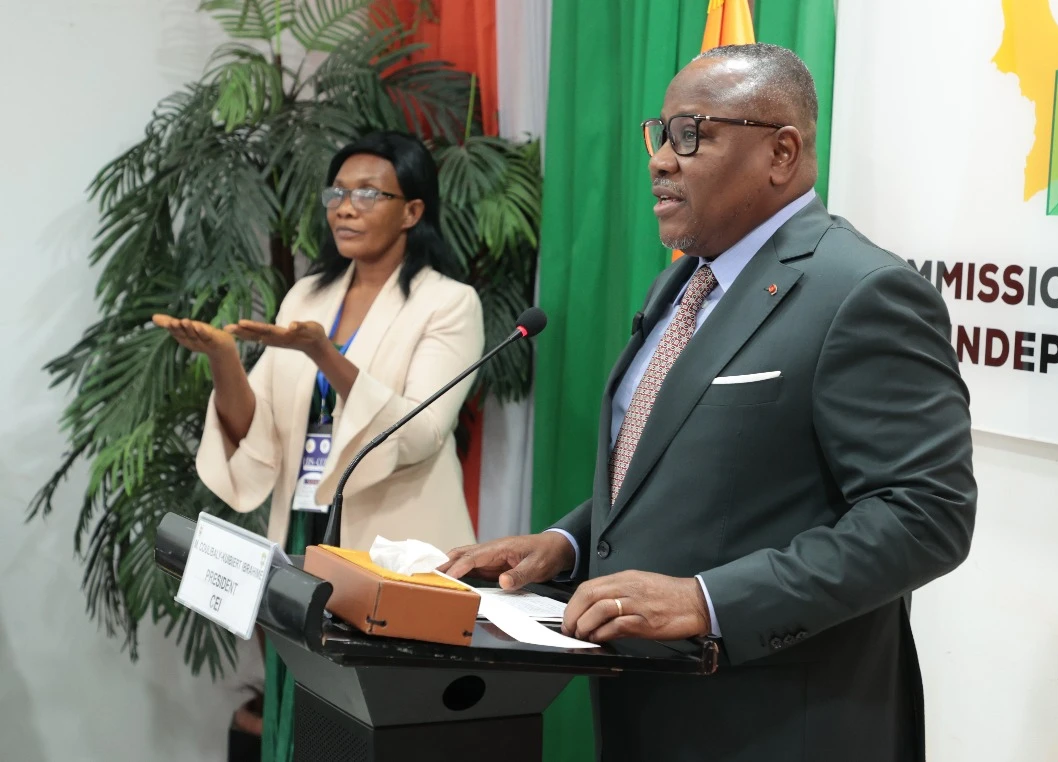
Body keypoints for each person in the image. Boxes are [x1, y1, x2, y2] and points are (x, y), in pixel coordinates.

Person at [440, 44, 976, 762]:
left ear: (781, 153)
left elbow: (926, 516)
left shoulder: (862, 292)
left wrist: (707, 601)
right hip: (647, 710)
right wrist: (566, 545)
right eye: (659, 134)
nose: (662, 160)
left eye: (691, 134)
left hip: (774, 723)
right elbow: (675, 467)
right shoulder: (684, 282)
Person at [155, 130, 484, 760]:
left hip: (392, 547)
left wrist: (322, 352)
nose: (344, 208)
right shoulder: (308, 296)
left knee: (369, 726)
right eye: (336, 192)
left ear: (412, 210)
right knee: (299, 714)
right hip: (305, 531)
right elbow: (258, 429)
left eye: (368, 193)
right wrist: (224, 359)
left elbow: (419, 433)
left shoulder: (449, 304)